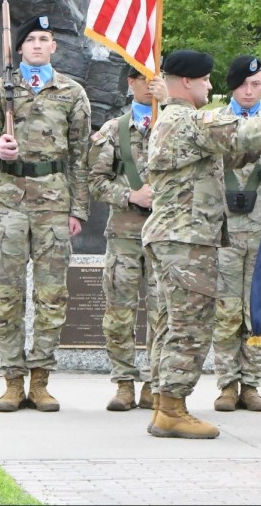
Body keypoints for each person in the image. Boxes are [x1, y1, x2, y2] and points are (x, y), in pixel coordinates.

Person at [142, 49, 261, 440]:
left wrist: (260, 151)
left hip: (178, 236)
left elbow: (229, 153)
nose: (210, 86)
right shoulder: (188, 121)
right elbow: (239, 132)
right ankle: (171, 409)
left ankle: (164, 405)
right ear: (187, 82)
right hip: (185, 238)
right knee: (190, 327)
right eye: (206, 80)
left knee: (175, 324)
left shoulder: (175, 122)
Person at [0, 14, 91, 413]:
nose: (38, 45)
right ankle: (12, 379)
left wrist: (78, 208)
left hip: (54, 203)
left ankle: (40, 379)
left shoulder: (72, 92)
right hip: (10, 200)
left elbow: (80, 157)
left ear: (54, 47)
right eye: (32, 39)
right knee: (7, 294)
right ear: (20, 47)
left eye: (45, 39)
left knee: (51, 295)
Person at [88, 65, 167, 412]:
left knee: (162, 312)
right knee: (119, 312)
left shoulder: (175, 126)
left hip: (165, 235)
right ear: (130, 83)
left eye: (157, 78)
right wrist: (129, 196)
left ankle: (155, 382)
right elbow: (95, 180)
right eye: (143, 78)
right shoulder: (114, 130)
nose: (151, 85)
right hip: (125, 235)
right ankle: (123, 383)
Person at [212, 55, 261, 413]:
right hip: (225, 233)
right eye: (242, 84)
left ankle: (251, 384)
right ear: (232, 87)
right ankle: (226, 384)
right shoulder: (214, 123)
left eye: (256, 83)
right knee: (225, 311)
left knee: (256, 311)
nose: (249, 91)